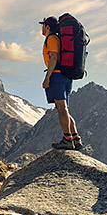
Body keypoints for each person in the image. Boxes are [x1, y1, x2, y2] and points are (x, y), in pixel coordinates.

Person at [39, 16, 82, 150]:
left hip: (56, 76)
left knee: (61, 109)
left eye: (43, 25)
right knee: (65, 109)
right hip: (66, 76)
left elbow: (53, 56)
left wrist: (47, 77)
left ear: (47, 26)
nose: (41, 28)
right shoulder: (59, 39)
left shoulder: (51, 38)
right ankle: (76, 138)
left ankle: (67, 139)